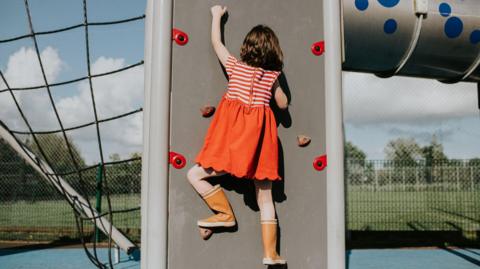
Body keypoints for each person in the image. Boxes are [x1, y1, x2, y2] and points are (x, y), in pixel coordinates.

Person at [186, 5, 288, 266]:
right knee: (265, 197)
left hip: (232, 145)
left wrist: (217, 16)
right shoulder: (273, 76)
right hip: (259, 146)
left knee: (194, 174)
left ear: (247, 48)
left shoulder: (235, 67)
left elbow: (216, 42)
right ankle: (270, 253)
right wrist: (278, 84)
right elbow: (283, 105)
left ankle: (223, 213)